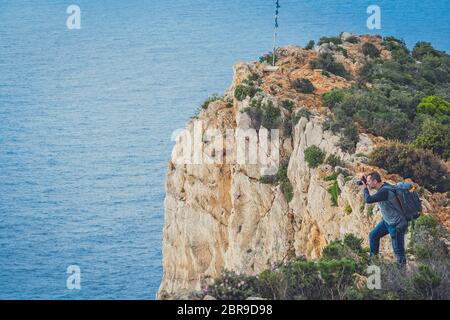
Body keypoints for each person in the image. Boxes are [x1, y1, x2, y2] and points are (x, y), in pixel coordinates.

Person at [361, 172, 408, 267]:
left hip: (397, 224)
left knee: (398, 252)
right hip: (387, 222)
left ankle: (402, 275)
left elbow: (368, 200)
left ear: (375, 181)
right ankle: (374, 262)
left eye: (369, 181)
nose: (368, 183)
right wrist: (364, 180)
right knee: (373, 235)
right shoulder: (384, 186)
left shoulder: (384, 191)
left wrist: (364, 188)